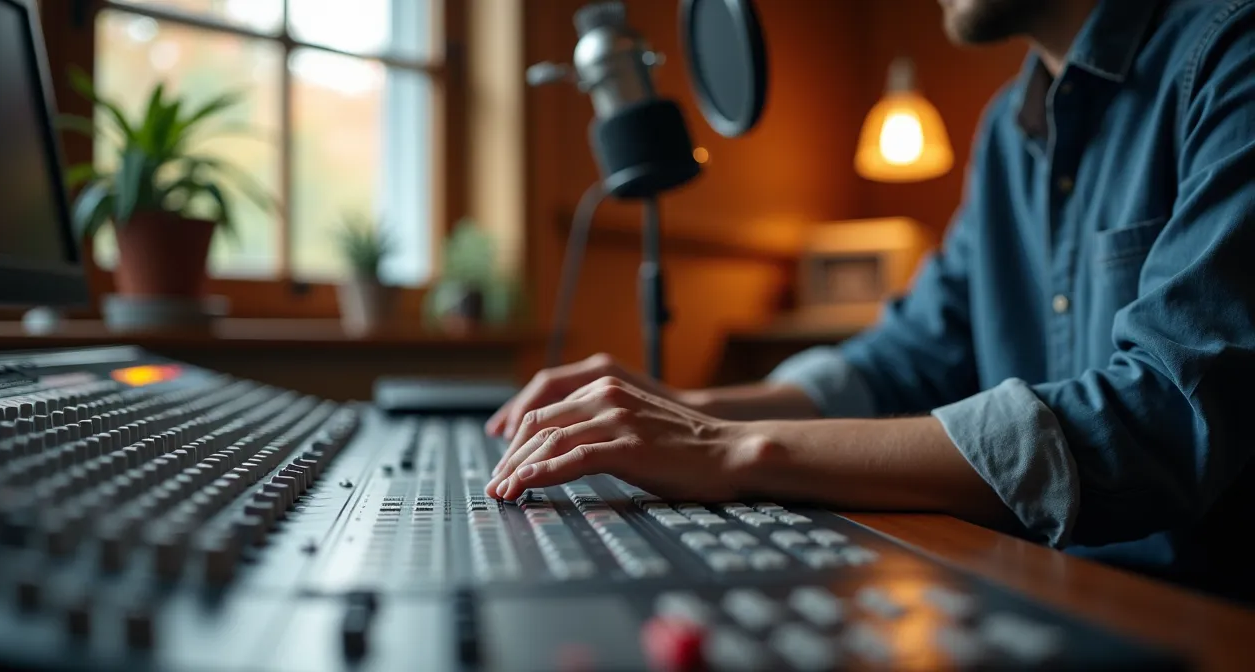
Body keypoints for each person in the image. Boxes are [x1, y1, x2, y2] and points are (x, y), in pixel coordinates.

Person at [486, 0, 1255, 599]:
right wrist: (692, 407)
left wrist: (725, 446)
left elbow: (1164, 412)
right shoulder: (1003, 132)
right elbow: (905, 356)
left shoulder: (1231, 56)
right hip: (1055, 586)